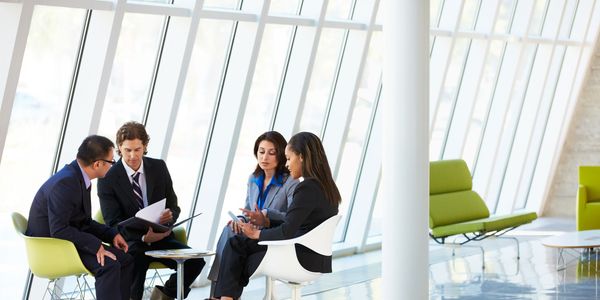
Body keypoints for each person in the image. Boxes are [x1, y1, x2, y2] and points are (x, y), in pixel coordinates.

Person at [214, 131, 341, 300]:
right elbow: (297, 222)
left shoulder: (306, 188)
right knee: (239, 246)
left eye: (289, 158)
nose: (287, 164)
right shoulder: (327, 187)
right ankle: (225, 297)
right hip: (314, 255)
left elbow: (287, 230)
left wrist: (256, 233)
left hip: (299, 255)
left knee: (237, 243)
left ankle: (224, 297)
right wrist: (264, 223)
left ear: (301, 157)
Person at [97, 121, 205, 300]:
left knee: (195, 262)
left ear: (145, 146)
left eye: (137, 149)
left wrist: (169, 217)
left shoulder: (158, 167)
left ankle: (162, 296)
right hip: (131, 242)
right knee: (135, 260)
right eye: (127, 150)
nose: (132, 156)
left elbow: (174, 206)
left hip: (161, 238)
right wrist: (142, 237)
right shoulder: (108, 177)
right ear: (119, 148)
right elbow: (112, 223)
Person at [27, 135, 134, 300]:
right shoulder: (66, 183)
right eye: (112, 161)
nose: (114, 165)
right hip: (53, 247)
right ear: (97, 164)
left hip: (68, 240)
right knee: (109, 265)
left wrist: (111, 235)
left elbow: (83, 221)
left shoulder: (78, 177)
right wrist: (96, 245)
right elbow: (59, 229)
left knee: (125, 260)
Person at [207, 131, 299, 298]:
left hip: (273, 236)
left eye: (272, 153)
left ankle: (218, 295)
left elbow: (293, 217)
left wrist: (266, 215)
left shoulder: (290, 181)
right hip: (250, 233)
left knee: (232, 239)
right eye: (261, 151)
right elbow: (247, 209)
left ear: (282, 155)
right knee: (229, 229)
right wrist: (241, 219)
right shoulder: (253, 179)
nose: (265, 157)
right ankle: (221, 294)